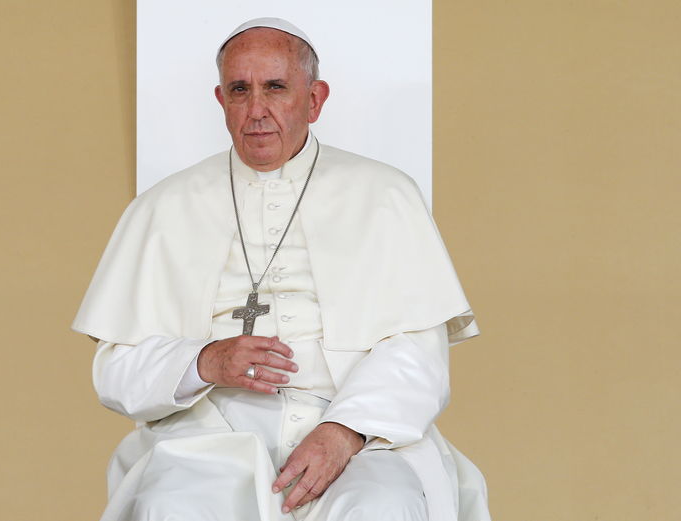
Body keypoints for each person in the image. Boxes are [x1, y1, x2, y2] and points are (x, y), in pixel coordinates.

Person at [73, 17, 490, 521]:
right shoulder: (162, 207)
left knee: (383, 506)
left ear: (314, 99)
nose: (257, 111)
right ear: (220, 99)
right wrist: (203, 362)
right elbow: (116, 371)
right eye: (239, 90)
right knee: (173, 506)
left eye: (276, 88)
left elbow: (418, 352)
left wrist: (343, 432)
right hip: (207, 431)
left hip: (359, 431)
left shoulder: (385, 195)